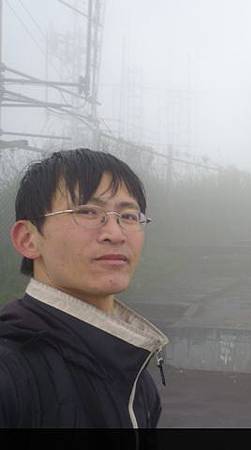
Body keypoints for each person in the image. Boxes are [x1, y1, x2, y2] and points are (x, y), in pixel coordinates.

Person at [0, 148, 169, 428]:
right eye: (88, 211)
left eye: (128, 216)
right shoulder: (11, 374)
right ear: (28, 239)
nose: (115, 234)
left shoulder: (137, 379)